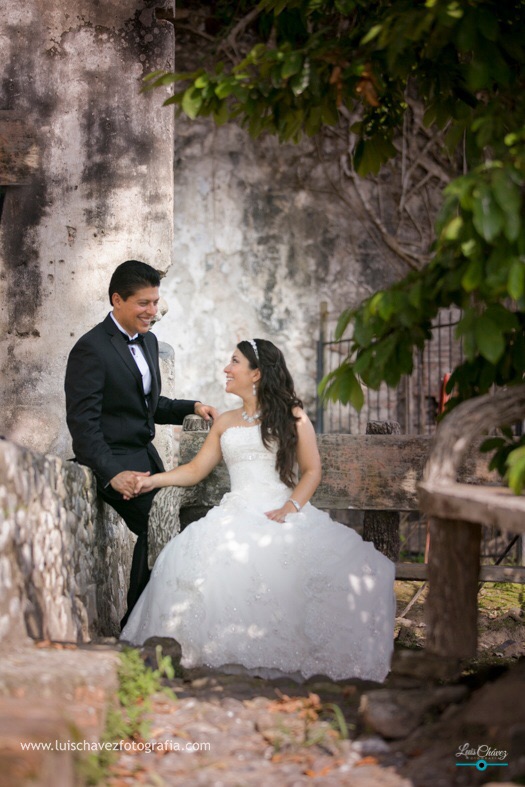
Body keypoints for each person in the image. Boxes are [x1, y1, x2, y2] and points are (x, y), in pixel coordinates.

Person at [121, 339, 395, 682]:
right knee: (193, 557)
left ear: (256, 374)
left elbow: (312, 470)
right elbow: (194, 470)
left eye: (234, 361)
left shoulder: (292, 416)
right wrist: (153, 481)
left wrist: (291, 507)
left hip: (282, 509)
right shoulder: (226, 422)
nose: (226, 368)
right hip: (235, 511)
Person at [64, 260, 218, 628]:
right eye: (143, 303)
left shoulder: (148, 341)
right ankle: (135, 625)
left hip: (146, 459)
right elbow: (83, 426)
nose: (153, 311)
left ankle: (153, 622)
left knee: (172, 523)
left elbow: (148, 407)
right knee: (158, 525)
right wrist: (112, 473)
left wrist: (191, 407)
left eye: (155, 302)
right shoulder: (90, 349)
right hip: (113, 462)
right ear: (117, 300)